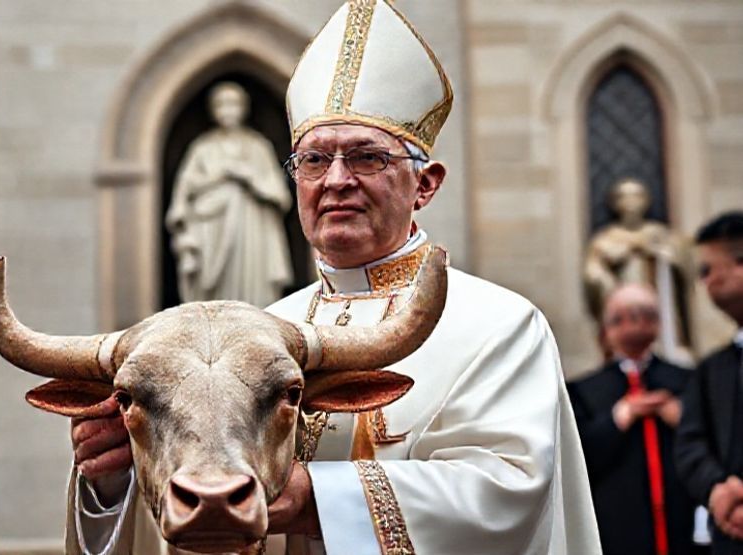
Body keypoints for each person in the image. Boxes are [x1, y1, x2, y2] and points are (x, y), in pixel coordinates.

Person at [66, 1, 600, 553]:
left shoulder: (499, 324)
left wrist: (316, 496)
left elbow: (507, 490)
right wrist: (116, 482)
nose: (337, 180)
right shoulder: (268, 330)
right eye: (315, 160)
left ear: (426, 185)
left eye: (367, 157)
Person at [569, 284, 695, 555]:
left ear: (658, 322)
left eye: (644, 314)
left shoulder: (688, 380)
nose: (633, 323)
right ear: (606, 329)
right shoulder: (583, 390)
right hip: (617, 522)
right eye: (620, 317)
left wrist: (681, 418)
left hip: (682, 521)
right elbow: (577, 458)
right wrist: (619, 418)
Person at [165, 82, 294, 308]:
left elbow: (280, 195)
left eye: (233, 104)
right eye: (221, 105)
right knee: (211, 301)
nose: (228, 110)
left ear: (243, 108)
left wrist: (249, 176)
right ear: (213, 110)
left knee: (253, 295)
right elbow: (183, 193)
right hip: (211, 231)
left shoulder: (257, 147)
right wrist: (218, 176)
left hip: (252, 231)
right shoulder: (202, 148)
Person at [676, 211, 743, 554]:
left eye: (708, 269)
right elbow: (689, 444)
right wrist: (717, 490)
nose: (704, 283)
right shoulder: (712, 369)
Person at [584, 178, 693, 365]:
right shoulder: (606, 240)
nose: (631, 202)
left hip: (661, 311)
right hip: (624, 302)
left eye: (636, 196)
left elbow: (683, 266)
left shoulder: (659, 234)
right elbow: (593, 276)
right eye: (624, 197)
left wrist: (661, 256)